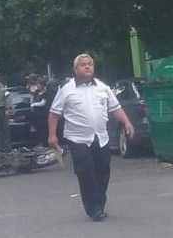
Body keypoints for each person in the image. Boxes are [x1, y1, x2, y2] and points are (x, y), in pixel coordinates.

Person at [47, 53, 135, 222]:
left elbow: (115, 108)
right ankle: (93, 209)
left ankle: (99, 204)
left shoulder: (102, 87)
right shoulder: (67, 89)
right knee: (86, 171)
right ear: (75, 69)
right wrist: (52, 135)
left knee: (103, 171)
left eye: (90, 64)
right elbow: (54, 113)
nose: (87, 66)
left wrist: (127, 123)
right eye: (83, 64)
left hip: (100, 137)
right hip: (77, 138)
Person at [28, 75, 49, 147]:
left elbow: (43, 103)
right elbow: (31, 93)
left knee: (43, 129)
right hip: (36, 115)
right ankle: (39, 142)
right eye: (37, 84)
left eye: (39, 84)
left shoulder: (45, 93)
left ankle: (44, 143)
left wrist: (33, 104)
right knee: (38, 129)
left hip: (43, 115)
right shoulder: (36, 93)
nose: (38, 86)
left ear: (42, 85)